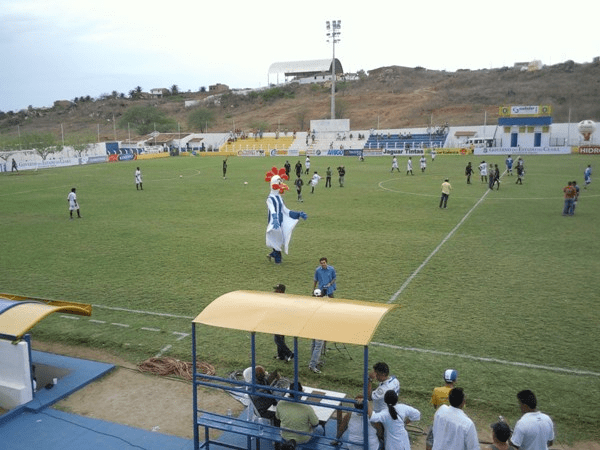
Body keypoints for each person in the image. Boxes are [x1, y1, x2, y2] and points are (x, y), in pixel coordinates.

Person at [265, 167, 308, 264]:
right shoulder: (270, 199)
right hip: (273, 223)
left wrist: (298, 214)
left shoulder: (279, 198)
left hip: (280, 221)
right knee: (276, 239)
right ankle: (277, 260)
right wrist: (275, 220)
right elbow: (272, 210)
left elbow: (285, 210)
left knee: (281, 239)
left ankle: (273, 254)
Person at [275, 381, 323, 445]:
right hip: (303, 439)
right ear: (301, 392)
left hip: (285, 436)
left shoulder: (281, 403)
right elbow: (315, 424)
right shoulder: (307, 408)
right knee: (320, 429)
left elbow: (277, 417)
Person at [426, 369, 458, 450]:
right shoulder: (457, 393)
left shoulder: (436, 390)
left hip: (438, 420)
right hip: (452, 422)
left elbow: (435, 406)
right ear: (454, 381)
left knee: (430, 441)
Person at [272, 284, 294, 362]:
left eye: (276, 290)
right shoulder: (281, 298)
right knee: (280, 338)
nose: (274, 291)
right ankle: (281, 355)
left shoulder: (281, 299)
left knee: (278, 339)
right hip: (280, 320)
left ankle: (289, 353)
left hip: (280, 321)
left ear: (281, 291)